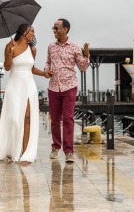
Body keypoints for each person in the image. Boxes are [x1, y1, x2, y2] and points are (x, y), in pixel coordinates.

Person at [0, 23, 50, 165]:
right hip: (15, 85)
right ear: (24, 32)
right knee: (14, 119)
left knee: (27, 118)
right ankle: (12, 151)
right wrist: (10, 52)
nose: (34, 34)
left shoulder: (33, 49)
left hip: (29, 85)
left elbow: (31, 68)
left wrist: (44, 73)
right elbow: (7, 67)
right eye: (32, 31)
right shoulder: (10, 46)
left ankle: (25, 153)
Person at [45, 18, 90, 163]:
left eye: (56, 28)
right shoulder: (51, 47)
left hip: (69, 86)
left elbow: (82, 67)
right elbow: (47, 63)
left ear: (65, 29)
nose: (54, 30)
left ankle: (69, 151)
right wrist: (47, 70)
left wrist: (87, 55)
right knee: (55, 120)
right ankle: (55, 146)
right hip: (53, 87)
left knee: (68, 119)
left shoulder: (75, 47)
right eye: (53, 28)